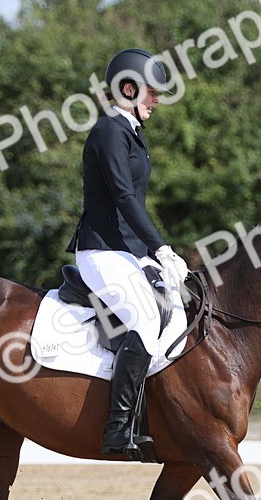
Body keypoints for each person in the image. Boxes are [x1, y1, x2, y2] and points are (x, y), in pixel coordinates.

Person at [66, 48, 190, 456]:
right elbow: (123, 197)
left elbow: (134, 200)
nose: (156, 100)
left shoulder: (132, 133)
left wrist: (151, 256)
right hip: (101, 251)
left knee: (178, 306)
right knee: (143, 317)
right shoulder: (109, 132)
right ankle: (118, 428)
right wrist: (161, 247)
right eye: (152, 92)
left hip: (128, 252)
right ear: (130, 88)